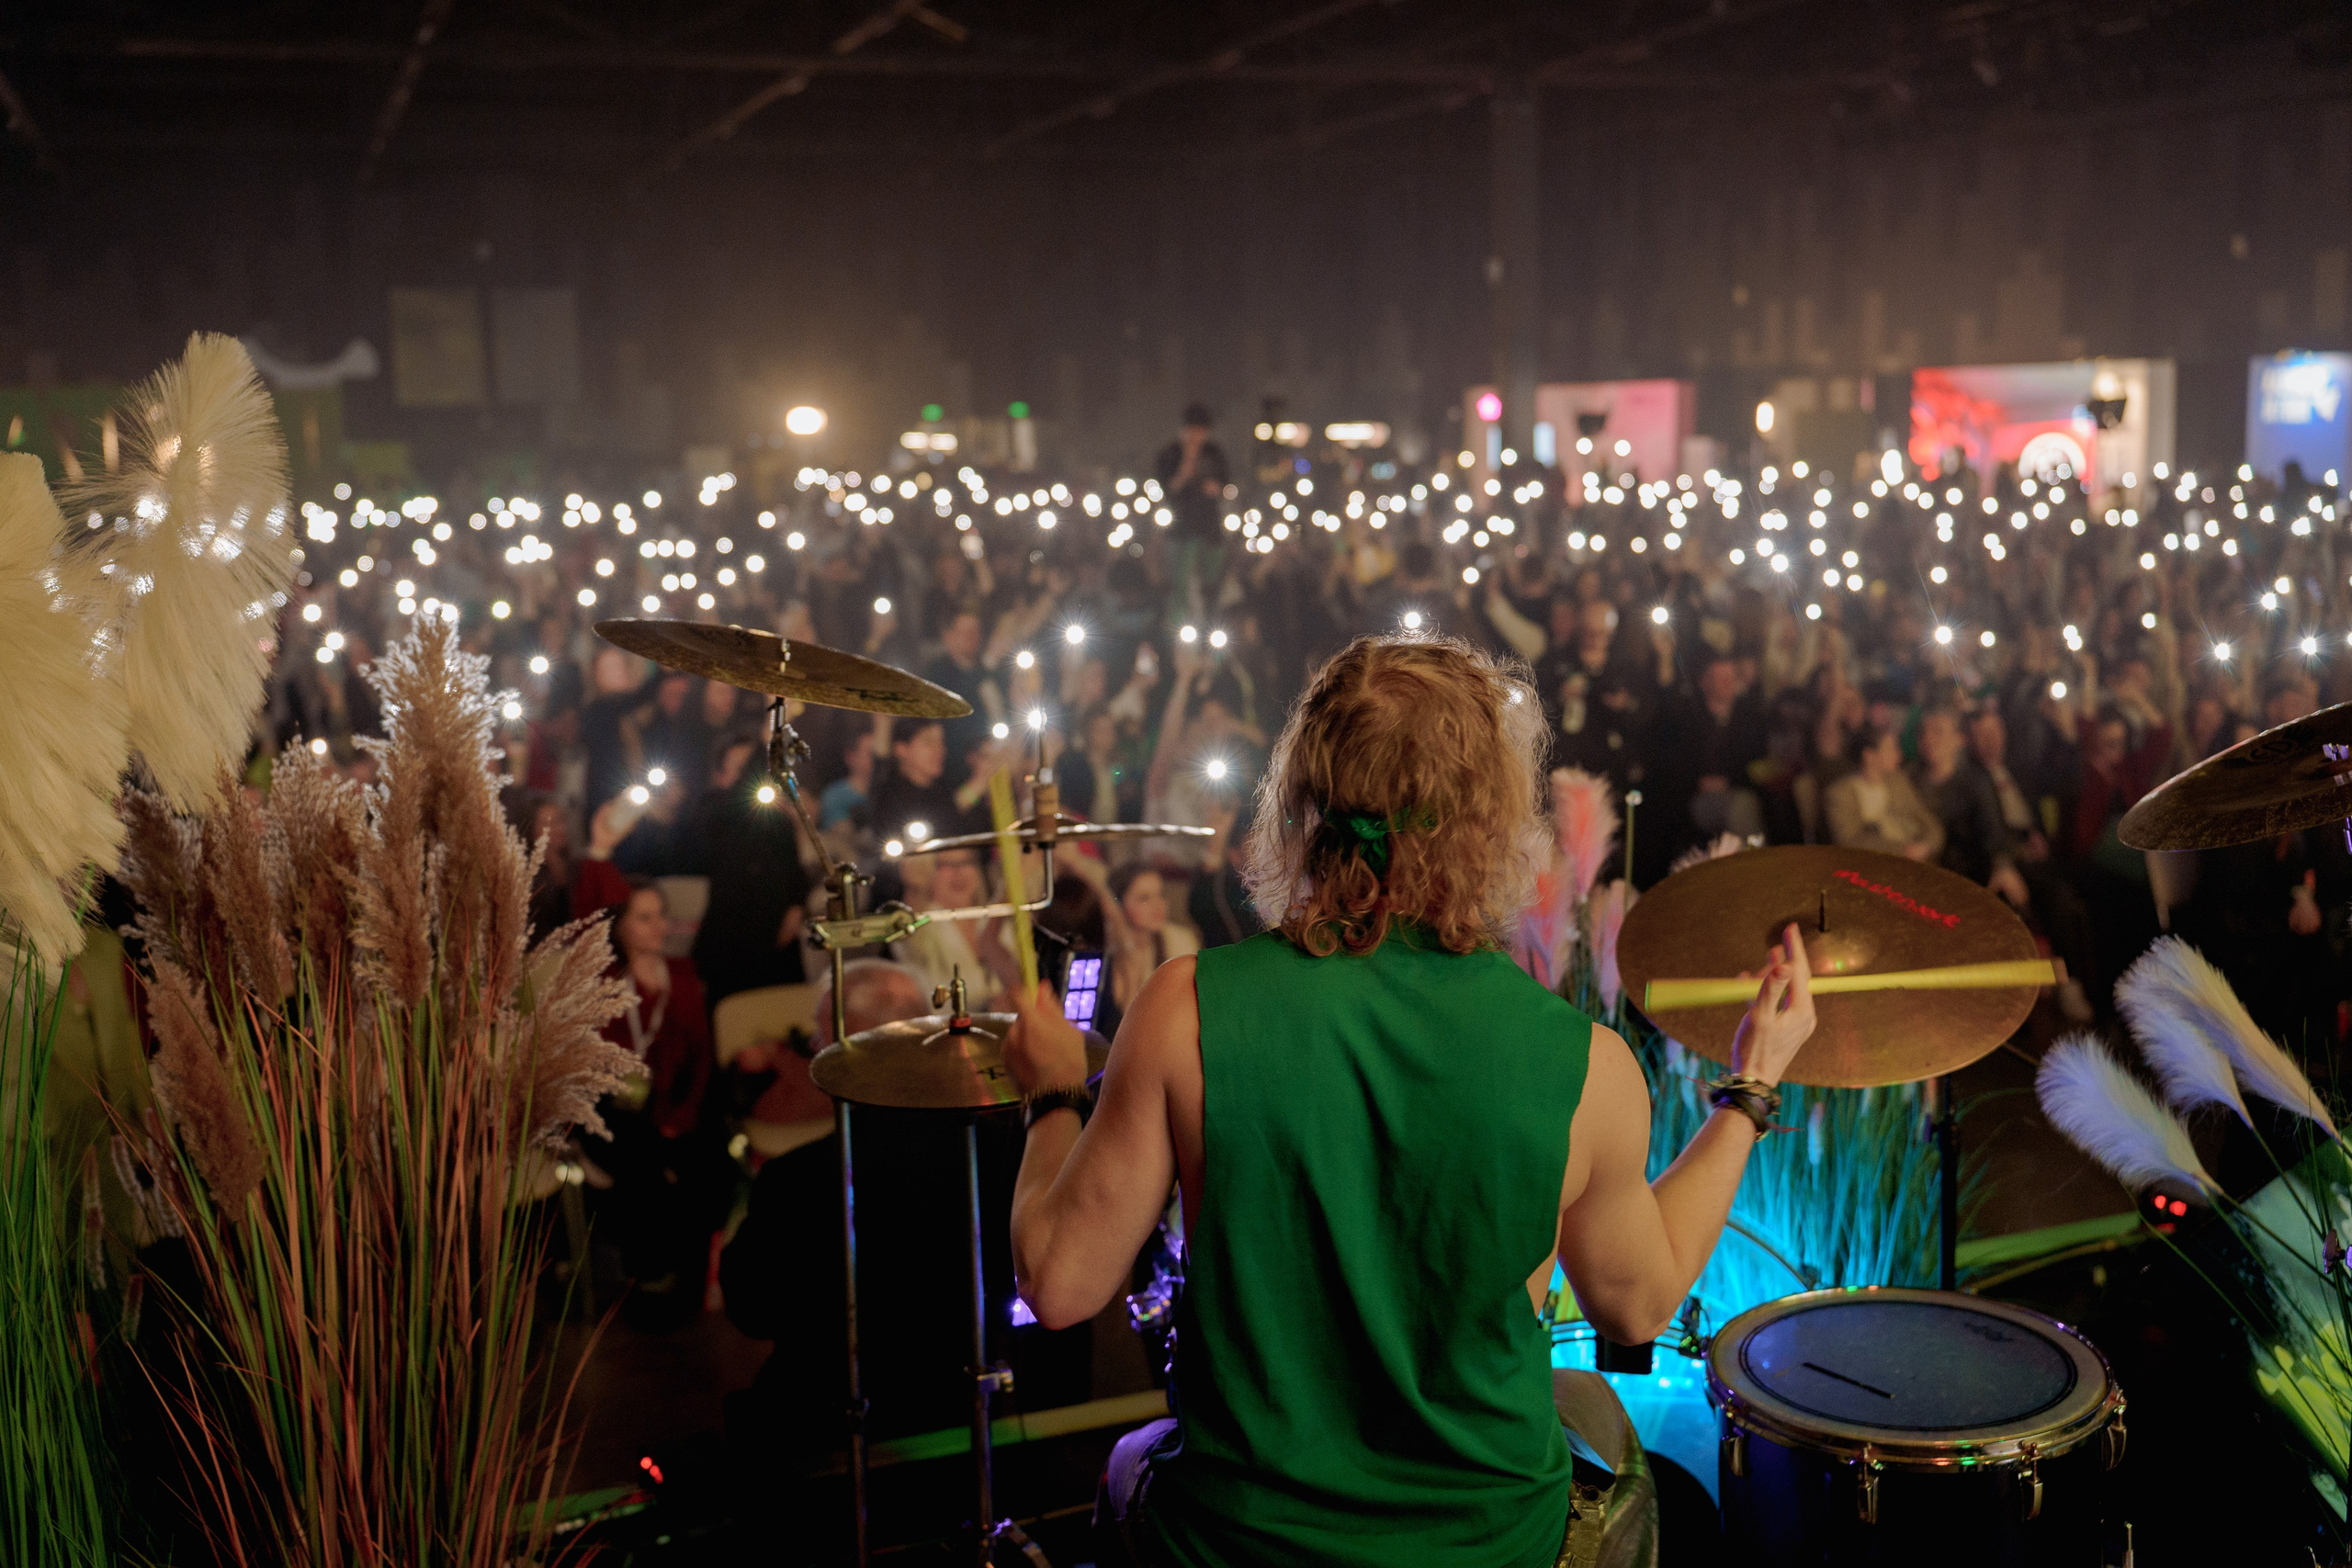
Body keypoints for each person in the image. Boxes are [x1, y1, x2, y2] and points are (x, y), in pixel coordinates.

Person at [1000, 634, 1818, 1567]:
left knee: (1127, 1459)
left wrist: (1054, 1091)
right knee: (1597, 1420)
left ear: (1299, 802)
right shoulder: (1584, 1064)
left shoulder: (1182, 1009)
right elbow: (1634, 1308)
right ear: (1493, 821)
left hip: (1234, 1541)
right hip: (1488, 1544)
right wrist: (1750, 1086)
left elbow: (1058, 1286)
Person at [720, 959, 1095, 1467]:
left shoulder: (798, 1179)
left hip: (832, 1435)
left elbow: (752, 1310)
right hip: (974, 1419)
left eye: (818, 1032)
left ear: (844, 1050)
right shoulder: (1010, 1160)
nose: (810, 1045)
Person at [1824, 722, 1943, 861]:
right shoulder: (1840, 794)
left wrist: (1929, 843)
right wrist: (1903, 850)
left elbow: (1922, 817)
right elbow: (1849, 841)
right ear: (1869, 755)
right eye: (1891, 749)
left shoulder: (1898, 783)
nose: (1899, 754)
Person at [1155, 403, 1231, 617]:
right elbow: (1169, 487)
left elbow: (1225, 483)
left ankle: (1212, 629)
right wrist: (1187, 463)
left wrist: (1216, 488)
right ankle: (1180, 635)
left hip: (1210, 528)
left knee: (1213, 585)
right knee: (1180, 584)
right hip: (1182, 529)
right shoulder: (1170, 454)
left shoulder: (1214, 453)